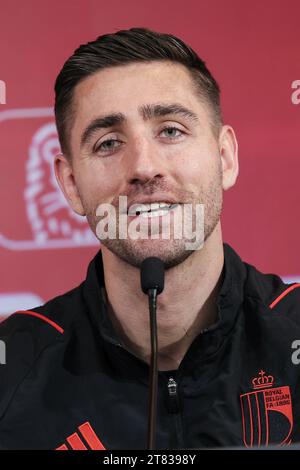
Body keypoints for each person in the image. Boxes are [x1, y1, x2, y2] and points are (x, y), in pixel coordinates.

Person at [0, 27, 299, 450]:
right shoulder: (12, 372)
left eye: (171, 131)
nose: (144, 166)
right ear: (70, 184)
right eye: (108, 143)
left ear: (225, 157)